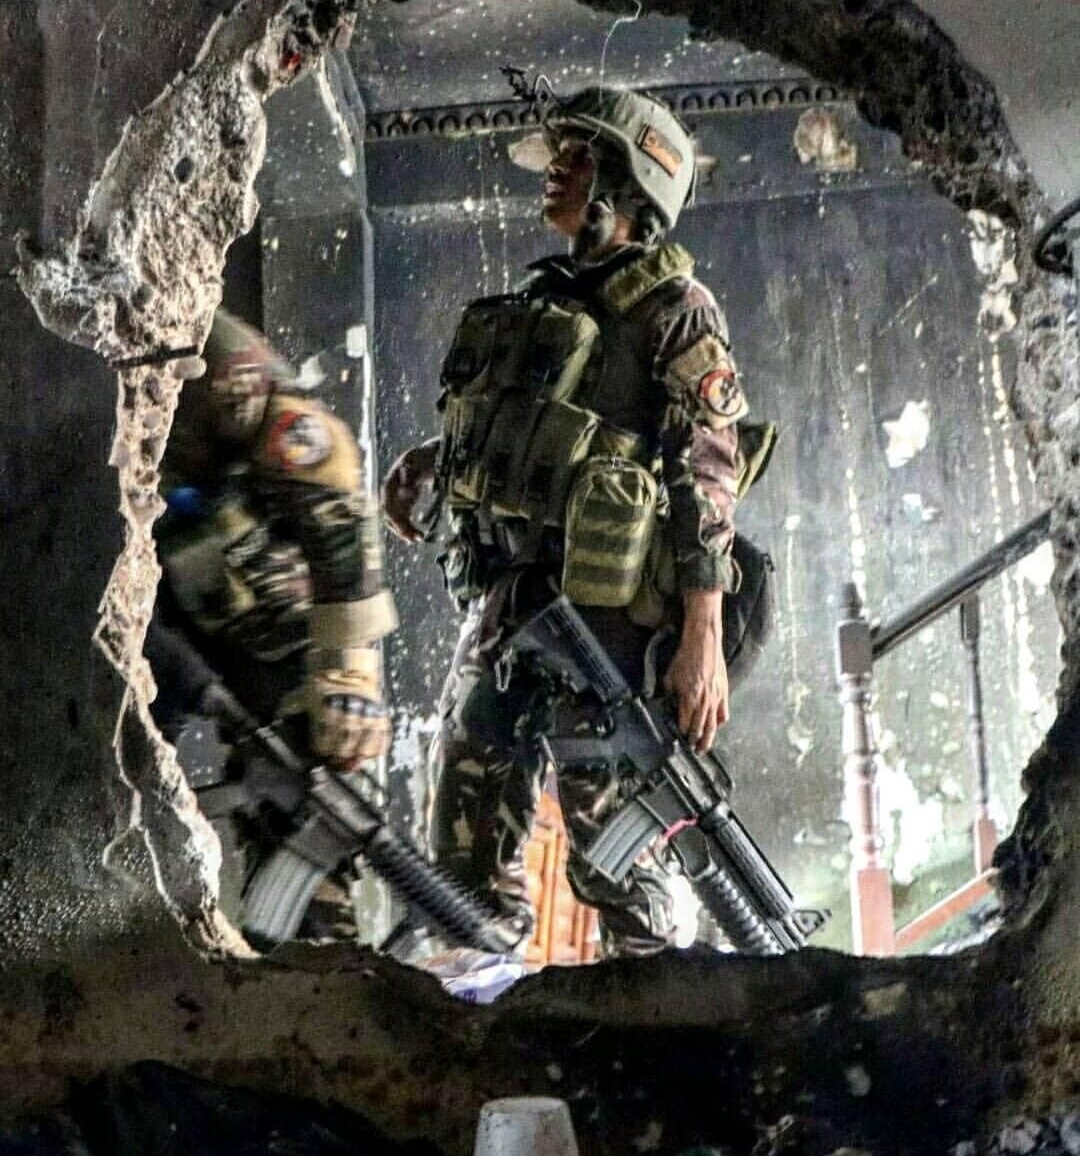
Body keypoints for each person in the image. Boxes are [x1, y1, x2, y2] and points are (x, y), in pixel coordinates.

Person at [383, 87, 771, 958]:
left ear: (630, 181)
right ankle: (484, 1014)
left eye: (578, 153)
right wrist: (430, 463)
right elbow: (526, 432)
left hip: (608, 632)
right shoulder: (548, 300)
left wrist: (701, 635)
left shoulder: (675, 308)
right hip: (514, 607)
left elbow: (709, 473)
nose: (554, 167)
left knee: (614, 865)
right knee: (462, 849)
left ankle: (664, 1015)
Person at [148, 306, 398, 935]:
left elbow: (339, 526)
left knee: (309, 850)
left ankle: (321, 963)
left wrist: (348, 677)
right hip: (172, 632)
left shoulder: (222, 361)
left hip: (279, 646)